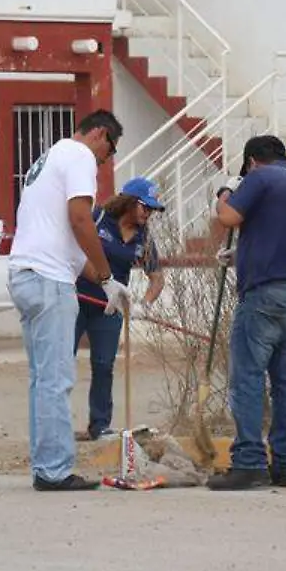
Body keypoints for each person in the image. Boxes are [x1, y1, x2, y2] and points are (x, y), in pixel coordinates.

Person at [8, 109, 131, 492]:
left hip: (26, 274)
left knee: (41, 379)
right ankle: (54, 470)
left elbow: (70, 248)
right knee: (56, 379)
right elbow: (80, 220)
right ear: (100, 134)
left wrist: (108, 284)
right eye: (109, 152)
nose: (105, 162)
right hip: (49, 283)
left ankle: (45, 465)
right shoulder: (79, 156)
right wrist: (107, 275)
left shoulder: (48, 159)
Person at [210, 135, 286, 491]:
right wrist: (243, 254)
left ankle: (249, 462)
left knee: (248, 376)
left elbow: (227, 217)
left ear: (252, 162)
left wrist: (226, 192)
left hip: (265, 297)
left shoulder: (259, 176)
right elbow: (282, 236)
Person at [73, 176, 166, 442]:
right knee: (63, 361)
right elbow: (73, 250)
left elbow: (157, 278)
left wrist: (144, 305)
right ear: (129, 202)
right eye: (145, 207)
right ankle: (55, 426)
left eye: (152, 210)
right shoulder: (99, 218)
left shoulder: (144, 238)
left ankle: (100, 426)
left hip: (110, 307)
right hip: (77, 299)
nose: (148, 214)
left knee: (104, 365)